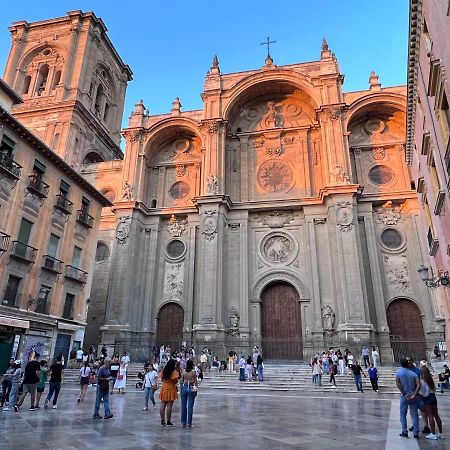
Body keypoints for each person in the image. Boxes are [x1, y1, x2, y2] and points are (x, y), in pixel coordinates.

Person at [395, 357, 421, 439]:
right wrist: (414, 394)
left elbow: (398, 383)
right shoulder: (413, 374)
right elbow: (418, 385)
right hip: (413, 396)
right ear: (408, 364)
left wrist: (403, 393)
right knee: (414, 414)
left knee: (403, 414)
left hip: (404, 396)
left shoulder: (398, 373)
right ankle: (416, 432)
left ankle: (404, 431)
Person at [419, 365, 444, 440]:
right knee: (436, 415)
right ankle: (440, 433)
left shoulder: (422, 381)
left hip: (427, 398)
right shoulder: (430, 380)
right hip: (433, 397)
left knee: (430, 416)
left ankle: (433, 433)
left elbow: (423, 393)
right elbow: (434, 389)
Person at [159, 358, 179, 426]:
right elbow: (175, 381)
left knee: (162, 404)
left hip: (164, 388)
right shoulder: (173, 372)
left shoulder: (163, 371)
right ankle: (168, 421)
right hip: (171, 388)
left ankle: (162, 420)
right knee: (169, 406)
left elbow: (161, 379)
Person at [180, 359, 198, 428]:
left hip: (184, 387)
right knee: (190, 406)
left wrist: (181, 390)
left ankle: (183, 422)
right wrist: (196, 390)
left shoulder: (183, 371)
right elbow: (196, 382)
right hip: (191, 387)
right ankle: (189, 423)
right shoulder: (193, 372)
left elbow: (181, 381)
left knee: (183, 406)